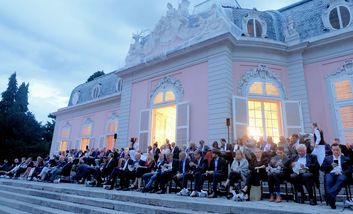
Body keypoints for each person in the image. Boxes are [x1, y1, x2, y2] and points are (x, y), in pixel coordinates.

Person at [321, 144, 352, 209]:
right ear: (332, 150)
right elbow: (322, 168)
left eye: (337, 150)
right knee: (328, 180)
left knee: (342, 179)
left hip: (341, 174)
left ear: (340, 150)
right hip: (331, 173)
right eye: (334, 150)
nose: (336, 151)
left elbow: (349, 169)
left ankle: (329, 195)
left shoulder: (346, 158)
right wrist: (332, 165)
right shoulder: (327, 158)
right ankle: (332, 200)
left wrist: (342, 172)